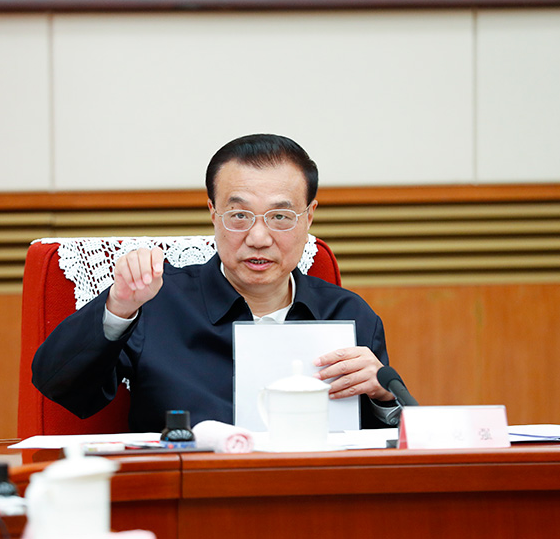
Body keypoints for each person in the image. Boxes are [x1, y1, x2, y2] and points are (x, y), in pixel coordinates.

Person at [32, 134, 399, 431]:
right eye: (238, 215)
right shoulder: (157, 303)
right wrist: (119, 307)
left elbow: (388, 449)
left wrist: (383, 396)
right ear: (213, 213)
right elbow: (58, 385)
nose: (258, 238)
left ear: (309, 217)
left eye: (280, 217)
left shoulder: (348, 315)